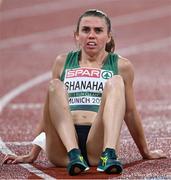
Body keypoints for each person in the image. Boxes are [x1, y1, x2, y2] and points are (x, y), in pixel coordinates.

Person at [2, 9, 166, 176]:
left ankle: (108, 155)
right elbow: (49, 113)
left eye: (98, 30)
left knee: (116, 82)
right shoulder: (62, 62)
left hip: (97, 142)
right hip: (63, 149)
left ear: (108, 36)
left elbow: (130, 113)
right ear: (77, 35)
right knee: (54, 86)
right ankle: (75, 155)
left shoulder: (122, 66)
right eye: (86, 30)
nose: (91, 35)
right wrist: (33, 153)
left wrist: (145, 151)